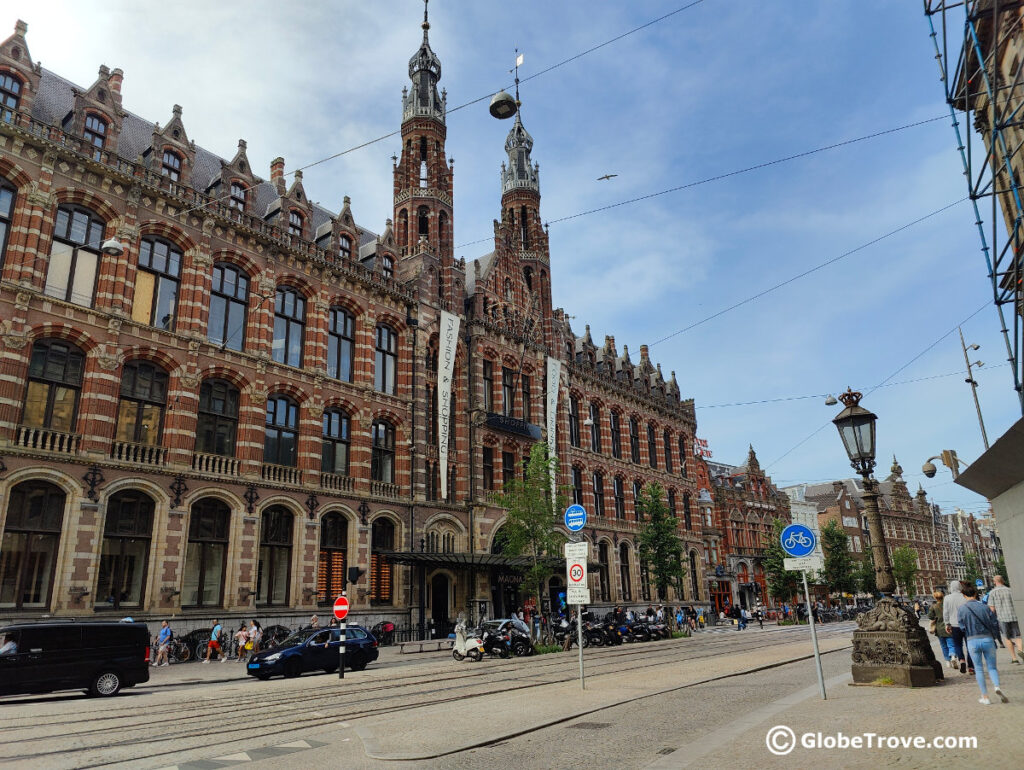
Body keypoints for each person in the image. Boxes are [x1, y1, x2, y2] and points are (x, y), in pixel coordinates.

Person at [958, 583, 1008, 705]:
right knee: (992, 667)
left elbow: (962, 627)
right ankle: (996, 686)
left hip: (972, 641)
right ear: (975, 594)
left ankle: (985, 697)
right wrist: (997, 638)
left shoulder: (962, 609)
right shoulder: (985, 608)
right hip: (987, 639)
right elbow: (994, 624)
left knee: (979, 669)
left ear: (964, 595)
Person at [986, 575, 1022, 664]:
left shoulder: (992, 593)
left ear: (994, 582)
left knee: (1007, 637)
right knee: (1018, 636)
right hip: (1014, 616)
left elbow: (992, 609)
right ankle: (1021, 650)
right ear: (1003, 581)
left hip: (1002, 618)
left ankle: (1014, 659)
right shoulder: (1010, 590)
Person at [944, 580, 974, 674]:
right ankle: (971, 667)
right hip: (967, 624)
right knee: (970, 645)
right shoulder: (965, 596)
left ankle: (962, 661)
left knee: (957, 645)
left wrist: (947, 624)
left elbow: (945, 612)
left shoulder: (947, 598)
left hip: (954, 625)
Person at [928, 590, 956, 669]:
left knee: (943, 646)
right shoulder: (947, 605)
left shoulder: (933, 606)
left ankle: (947, 661)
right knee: (951, 644)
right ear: (943, 596)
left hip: (939, 628)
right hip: (949, 627)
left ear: (935, 597)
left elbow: (930, 616)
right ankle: (953, 656)